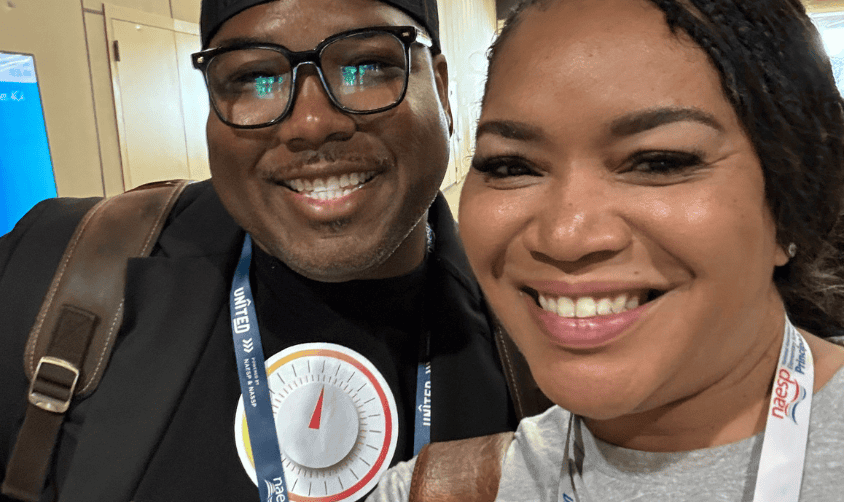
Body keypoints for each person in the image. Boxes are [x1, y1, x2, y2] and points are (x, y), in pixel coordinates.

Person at [0, 0, 520, 500]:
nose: (313, 123)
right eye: (254, 78)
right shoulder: (54, 271)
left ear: (444, 90)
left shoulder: (540, 335)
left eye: (366, 66)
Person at [369, 0, 844, 500]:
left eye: (658, 162)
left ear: (794, 200)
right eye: (511, 165)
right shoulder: (434, 490)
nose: (566, 237)